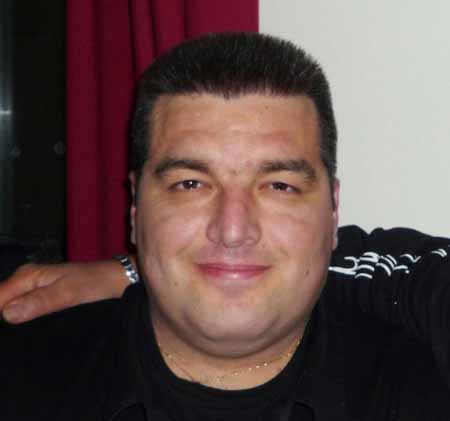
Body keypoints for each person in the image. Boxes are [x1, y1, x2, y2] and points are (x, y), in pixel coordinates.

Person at [2, 32, 450, 420]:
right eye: (190, 184)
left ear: (333, 210)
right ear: (135, 207)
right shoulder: (20, 378)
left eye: (279, 186)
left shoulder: (419, 385)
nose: (233, 231)